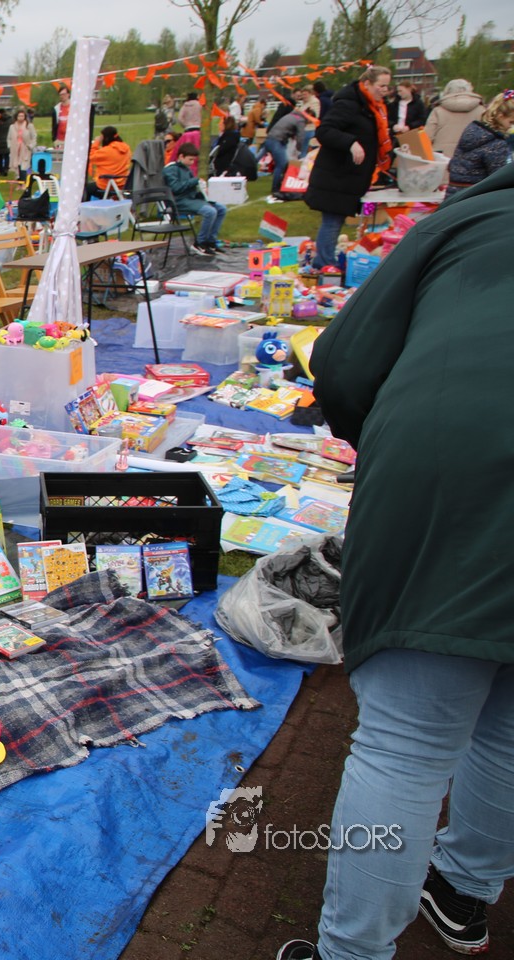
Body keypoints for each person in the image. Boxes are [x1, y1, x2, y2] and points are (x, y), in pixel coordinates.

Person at [277, 161, 514, 960]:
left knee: (408, 743)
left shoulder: (470, 220)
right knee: (509, 731)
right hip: (460, 467)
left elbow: (342, 363)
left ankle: (353, 952)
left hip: (453, 473)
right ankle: (466, 891)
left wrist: (383, 437)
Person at [304, 65, 392, 272]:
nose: (385, 90)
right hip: (336, 176)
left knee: (336, 221)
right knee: (332, 221)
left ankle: (326, 262)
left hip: (348, 177)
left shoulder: (372, 108)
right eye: (381, 86)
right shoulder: (349, 105)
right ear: (367, 84)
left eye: (387, 86)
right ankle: (325, 265)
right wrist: (350, 143)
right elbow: (325, 131)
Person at [444, 91, 514, 202]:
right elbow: (501, 178)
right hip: (476, 199)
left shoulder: (473, 132)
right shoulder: (497, 144)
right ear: (500, 117)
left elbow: (453, 166)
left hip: (454, 196)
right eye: (511, 122)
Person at [163, 141, 226, 255]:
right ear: (181, 156)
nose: (192, 163)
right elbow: (176, 188)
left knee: (221, 209)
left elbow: (190, 187)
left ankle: (211, 241)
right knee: (210, 211)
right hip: (178, 201)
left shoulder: (186, 168)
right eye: (190, 159)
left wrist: (203, 193)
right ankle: (200, 243)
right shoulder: (171, 169)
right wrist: (195, 181)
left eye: (194, 160)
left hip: (190, 199)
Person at [425, 78, 485, 158]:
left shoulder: (437, 111)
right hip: (471, 158)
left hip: (442, 158)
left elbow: (427, 137)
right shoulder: (481, 110)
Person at [259, 108, 308, 201]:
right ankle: (276, 188)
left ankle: (280, 184)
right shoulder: (300, 120)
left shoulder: (291, 116)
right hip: (277, 141)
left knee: (279, 164)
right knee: (281, 164)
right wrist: (299, 150)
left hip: (270, 139)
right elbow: (301, 137)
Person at [86, 126, 131, 196]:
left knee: (85, 189)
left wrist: (96, 142)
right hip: (122, 184)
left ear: (106, 138)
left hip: (106, 185)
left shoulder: (107, 151)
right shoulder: (126, 148)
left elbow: (90, 156)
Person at [10, 109, 35, 178]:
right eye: (19, 116)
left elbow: (34, 137)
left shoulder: (29, 126)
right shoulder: (12, 127)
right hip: (16, 148)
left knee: (24, 165)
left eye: (22, 116)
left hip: (25, 148)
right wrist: (10, 146)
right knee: (17, 165)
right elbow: (9, 138)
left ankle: (24, 180)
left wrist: (31, 146)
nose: (20, 118)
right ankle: (19, 179)